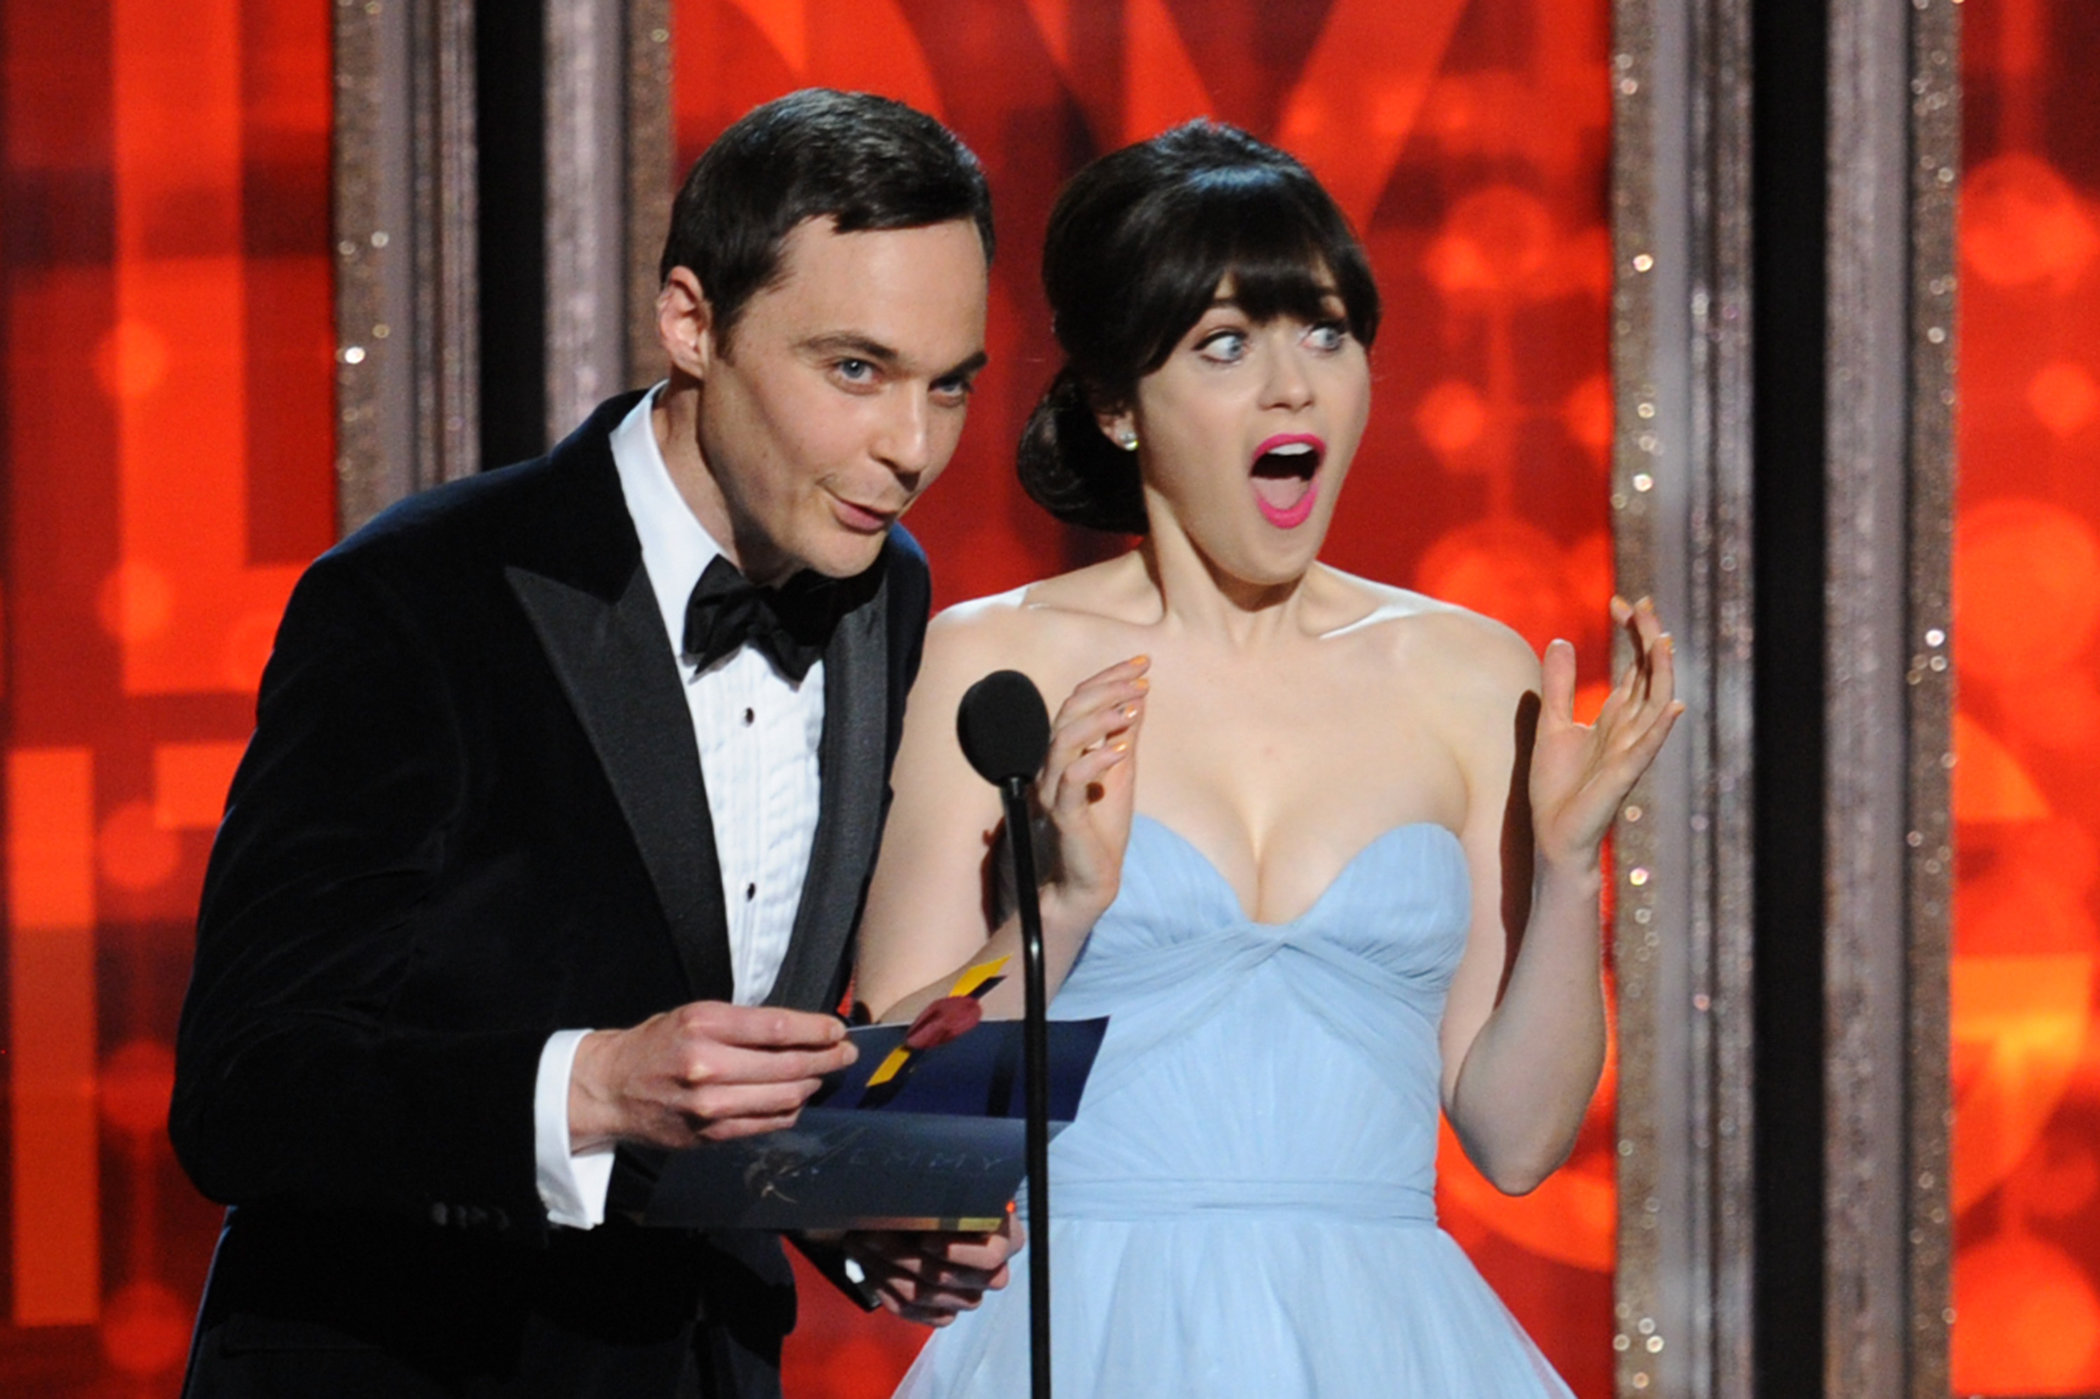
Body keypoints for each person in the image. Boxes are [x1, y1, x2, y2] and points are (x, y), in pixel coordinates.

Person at [169, 89, 1018, 1399]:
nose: (911, 447)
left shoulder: (884, 594)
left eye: (947, 385)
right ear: (692, 322)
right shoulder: (423, 593)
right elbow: (246, 1089)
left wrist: (844, 1199)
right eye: (855, 368)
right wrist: (591, 1085)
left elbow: (746, 1032)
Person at [852, 121, 1683, 1397]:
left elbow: (1515, 1139)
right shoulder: (990, 664)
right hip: (1084, 1337)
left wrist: (1573, 871)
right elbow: (904, 1115)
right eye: (1227, 345)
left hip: (1391, 1342)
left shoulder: (1475, 674)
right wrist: (1059, 915)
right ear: (1118, 404)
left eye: (1328, 332)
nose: (1294, 385)